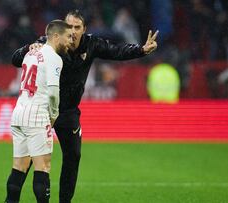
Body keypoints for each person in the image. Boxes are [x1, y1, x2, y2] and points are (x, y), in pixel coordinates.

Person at [11, 10, 158, 203]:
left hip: (68, 112)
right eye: (69, 26)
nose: (72, 31)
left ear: (84, 29)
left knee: (73, 157)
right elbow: (16, 60)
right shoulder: (48, 43)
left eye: (77, 27)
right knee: (29, 161)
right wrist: (25, 50)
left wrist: (141, 49)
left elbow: (116, 51)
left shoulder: (92, 44)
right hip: (44, 110)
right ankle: (13, 198)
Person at [5, 20, 72, 203]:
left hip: (19, 111)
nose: (70, 42)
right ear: (56, 36)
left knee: (19, 168)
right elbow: (52, 92)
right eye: (68, 37)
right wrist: (54, 114)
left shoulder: (31, 52)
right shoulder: (54, 58)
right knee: (43, 167)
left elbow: (17, 61)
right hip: (37, 114)